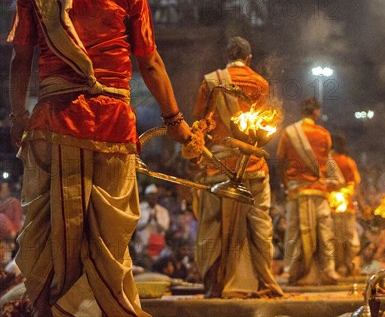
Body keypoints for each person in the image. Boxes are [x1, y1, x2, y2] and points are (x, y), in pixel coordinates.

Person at [7, 0, 192, 315]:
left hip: (52, 124)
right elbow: (151, 63)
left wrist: (17, 115)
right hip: (113, 126)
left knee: (50, 236)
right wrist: (175, 121)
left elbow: (20, 60)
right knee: (108, 241)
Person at [191, 36, 283, 298]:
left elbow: (200, 123)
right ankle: (263, 281)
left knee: (212, 226)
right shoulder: (261, 84)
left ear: (226, 57)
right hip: (253, 167)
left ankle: (215, 286)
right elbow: (263, 127)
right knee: (259, 227)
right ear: (249, 58)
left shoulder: (211, 81)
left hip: (217, 168)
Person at [277, 98, 341, 285]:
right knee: (324, 232)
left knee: (295, 232)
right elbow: (326, 161)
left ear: (301, 111)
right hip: (319, 192)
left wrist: (286, 185)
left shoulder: (288, 133)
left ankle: (293, 272)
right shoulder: (324, 134)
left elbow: (281, 162)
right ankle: (328, 271)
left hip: (296, 191)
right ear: (317, 112)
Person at [329, 134, 362, 277]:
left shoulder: (328, 161)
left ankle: (339, 266)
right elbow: (356, 184)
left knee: (335, 237)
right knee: (348, 237)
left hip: (332, 206)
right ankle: (348, 265)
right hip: (345, 206)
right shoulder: (349, 161)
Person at [136, 184, 171, 264]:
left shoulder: (163, 211)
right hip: (143, 246)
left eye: (154, 196)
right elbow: (136, 227)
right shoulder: (139, 208)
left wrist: (157, 221)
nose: (152, 198)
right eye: (150, 195)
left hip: (157, 246)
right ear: (146, 196)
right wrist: (147, 221)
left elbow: (165, 228)